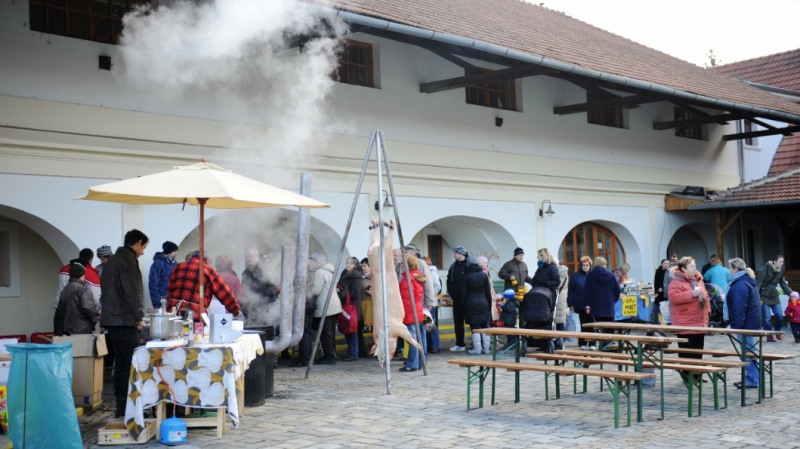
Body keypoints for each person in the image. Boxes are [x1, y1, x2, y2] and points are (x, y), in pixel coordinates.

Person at [100, 229, 148, 418]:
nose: (143, 251)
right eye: (143, 247)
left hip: (112, 320)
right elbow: (131, 292)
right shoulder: (128, 261)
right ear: (137, 243)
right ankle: (129, 406)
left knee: (120, 364)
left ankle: (122, 407)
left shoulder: (111, 261)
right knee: (130, 364)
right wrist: (139, 317)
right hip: (124, 320)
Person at [668, 256, 711, 382]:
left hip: (699, 321)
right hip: (685, 323)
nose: (695, 268)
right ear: (683, 269)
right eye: (692, 266)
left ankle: (697, 376)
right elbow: (674, 298)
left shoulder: (698, 280)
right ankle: (687, 376)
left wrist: (708, 310)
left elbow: (706, 296)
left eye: (695, 265)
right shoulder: (676, 282)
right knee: (687, 352)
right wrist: (691, 294)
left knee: (698, 351)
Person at [166, 250, 241, 320]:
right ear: (206, 260)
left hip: (174, 314)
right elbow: (224, 292)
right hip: (195, 315)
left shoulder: (177, 267)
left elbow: (169, 290)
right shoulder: (207, 269)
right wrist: (235, 310)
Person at [726, 258, 762, 389]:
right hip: (750, 322)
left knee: (748, 352)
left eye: (730, 268)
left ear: (735, 269)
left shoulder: (740, 284)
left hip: (745, 324)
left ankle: (752, 379)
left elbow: (739, 308)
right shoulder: (746, 280)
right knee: (749, 351)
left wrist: (736, 325)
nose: (728, 271)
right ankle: (751, 377)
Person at [306, 251, 342, 365]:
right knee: (329, 332)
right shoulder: (329, 270)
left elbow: (316, 290)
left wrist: (307, 291)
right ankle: (331, 354)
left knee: (326, 333)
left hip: (326, 306)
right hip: (333, 305)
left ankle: (329, 356)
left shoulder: (320, 272)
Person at [398, 254, 427, 371]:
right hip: (417, 308)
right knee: (420, 338)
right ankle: (421, 362)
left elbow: (405, 298)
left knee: (412, 339)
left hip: (410, 311)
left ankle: (412, 364)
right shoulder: (417, 276)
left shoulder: (407, 279)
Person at [585, 256, 621, 350]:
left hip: (595, 305)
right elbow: (617, 290)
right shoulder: (611, 275)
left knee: (597, 326)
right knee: (609, 327)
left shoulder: (590, 275)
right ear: (604, 265)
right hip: (609, 305)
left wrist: (588, 303)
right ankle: (609, 346)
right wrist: (613, 300)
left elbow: (586, 291)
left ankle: (597, 345)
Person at [54, 263, 99, 335]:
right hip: (83, 329)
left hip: (68, 329)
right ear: (81, 275)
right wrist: (97, 316)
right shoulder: (83, 289)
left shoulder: (65, 289)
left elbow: (60, 311)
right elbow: (89, 308)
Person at [240, 247, 280, 326]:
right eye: (247, 257)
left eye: (251, 256)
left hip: (265, 308)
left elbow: (273, 289)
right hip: (250, 309)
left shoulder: (265, 271)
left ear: (257, 257)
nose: (249, 259)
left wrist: (259, 297)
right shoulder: (245, 273)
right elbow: (243, 289)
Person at [756, 255, 792, 341]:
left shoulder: (780, 271)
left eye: (782, 262)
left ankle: (777, 331)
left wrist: (791, 293)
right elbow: (758, 283)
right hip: (764, 296)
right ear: (774, 261)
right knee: (767, 317)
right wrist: (757, 297)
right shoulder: (765, 269)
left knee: (779, 315)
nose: (782, 264)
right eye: (780, 261)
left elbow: (783, 283)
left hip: (774, 296)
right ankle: (769, 335)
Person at [338, 256, 365, 361]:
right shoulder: (344, 274)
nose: (348, 265)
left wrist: (342, 293)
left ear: (355, 265)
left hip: (352, 306)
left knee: (352, 330)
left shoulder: (356, 277)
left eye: (351, 263)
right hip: (345, 305)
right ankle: (352, 352)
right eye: (347, 262)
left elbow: (355, 292)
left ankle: (353, 353)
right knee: (347, 329)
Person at [464, 257, 492, 355]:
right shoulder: (483, 275)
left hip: (471, 302)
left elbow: (464, 293)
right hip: (483, 301)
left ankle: (477, 348)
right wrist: (489, 305)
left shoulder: (466, 276)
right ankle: (486, 348)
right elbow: (488, 292)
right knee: (485, 324)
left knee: (474, 325)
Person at [447, 246, 469, 352]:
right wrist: (451, 292)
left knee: (472, 321)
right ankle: (460, 343)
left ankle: (478, 344)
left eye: (455, 253)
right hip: (457, 299)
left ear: (461, 254)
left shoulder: (469, 265)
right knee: (458, 322)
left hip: (469, 298)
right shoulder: (453, 266)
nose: (454, 255)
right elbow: (449, 279)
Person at [568, 256, 593, 349]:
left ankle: (592, 343)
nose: (585, 267)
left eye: (587, 265)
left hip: (591, 304)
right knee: (582, 325)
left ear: (590, 266)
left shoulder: (593, 275)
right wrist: (570, 304)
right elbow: (570, 291)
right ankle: (582, 343)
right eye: (583, 265)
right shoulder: (575, 276)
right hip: (580, 304)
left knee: (591, 325)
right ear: (581, 266)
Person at [148, 240, 178, 309]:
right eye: (174, 251)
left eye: (176, 251)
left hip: (173, 300)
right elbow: (153, 284)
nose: (176, 253)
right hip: (161, 301)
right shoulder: (158, 263)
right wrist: (156, 303)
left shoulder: (175, 263)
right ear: (168, 251)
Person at [422, 256, 442, 354]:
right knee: (427, 324)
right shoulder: (428, 271)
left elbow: (437, 286)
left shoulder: (432, 272)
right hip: (427, 302)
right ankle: (431, 345)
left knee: (430, 324)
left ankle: (436, 345)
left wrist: (429, 296)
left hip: (431, 302)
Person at [554, 263, 569, 350]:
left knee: (559, 322)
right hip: (562, 300)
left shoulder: (561, 274)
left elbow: (557, 285)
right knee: (560, 321)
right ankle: (560, 341)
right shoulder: (564, 273)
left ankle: (560, 342)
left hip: (559, 300)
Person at [652, 259, 670, 323]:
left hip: (666, 293)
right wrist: (656, 292)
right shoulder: (658, 271)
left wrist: (663, 288)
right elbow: (655, 282)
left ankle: (668, 324)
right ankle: (656, 323)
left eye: (667, 264)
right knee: (655, 309)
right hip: (659, 294)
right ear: (662, 264)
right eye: (665, 263)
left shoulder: (669, 272)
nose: (666, 265)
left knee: (666, 310)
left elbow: (669, 282)